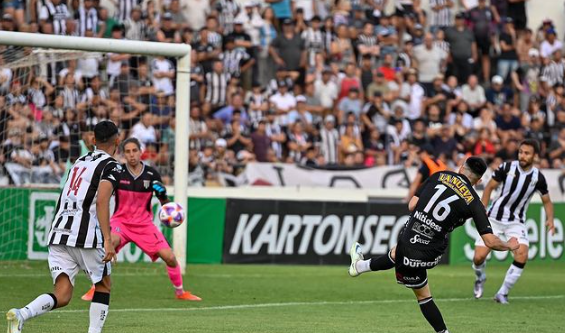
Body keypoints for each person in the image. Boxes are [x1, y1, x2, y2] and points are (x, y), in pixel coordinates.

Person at [348, 156, 519, 333]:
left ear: (461, 168)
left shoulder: (439, 175)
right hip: (431, 253)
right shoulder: (474, 203)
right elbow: (490, 241)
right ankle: (359, 266)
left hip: (409, 238)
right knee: (411, 275)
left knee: (408, 266)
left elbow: (412, 205)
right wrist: (510, 245)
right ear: (480, 179)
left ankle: (360, 266)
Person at [6, 121, 123, 333]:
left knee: (63, 294)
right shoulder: (112, 165)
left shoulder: (79, 161)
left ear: (93, 141)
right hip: (85, 234)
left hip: (60, 232)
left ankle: (21, 314)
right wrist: (107, 239)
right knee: (103, 284)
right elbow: (102, 200)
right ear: (118, 140)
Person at [81, 138, 202, 302]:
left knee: (170, 258)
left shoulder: (151, 174)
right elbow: (104, 194)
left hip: (144, 225)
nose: (131, 155)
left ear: (140, 152)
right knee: (110, 244)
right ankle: (96, 287)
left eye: (134, 151)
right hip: (120, 223)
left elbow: (164, 203)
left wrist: (164, 197)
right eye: (128, 151)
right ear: (124, 154)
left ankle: (180, 292)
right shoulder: (117, 171)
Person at [472, 139, 554, 303]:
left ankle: (502, 293)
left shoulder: (538, 177)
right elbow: (489, 187)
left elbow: (546, 201)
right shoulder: (506, 168)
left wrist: (550, 219)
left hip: (516, 222)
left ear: (535, 156)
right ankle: (480, 278)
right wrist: (482, 210)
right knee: (478, 258)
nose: (522, 156)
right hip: (494, 218)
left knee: (522, 255)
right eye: (521, 152)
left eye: (527, 153)